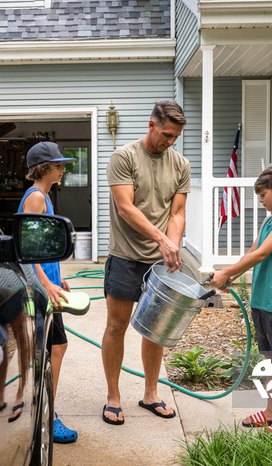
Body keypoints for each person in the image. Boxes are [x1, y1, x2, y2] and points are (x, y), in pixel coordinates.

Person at [102, 101, 190, 425]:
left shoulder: (180, 164)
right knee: (116, 327)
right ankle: (113, 396)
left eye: (175, 137)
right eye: (166, 134)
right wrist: (162, 240)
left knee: (156, 331)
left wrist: (173, 245)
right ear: (151, 124)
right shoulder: (123, 157)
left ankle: (150, 393)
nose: (170, 142)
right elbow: (126, 208)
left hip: (159, 261)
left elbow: (177, 212)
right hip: (125, 257)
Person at [209, 166, 272, 438]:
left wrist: (225, 272)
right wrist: (232, 274)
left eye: (263, 195)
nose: (260, 200)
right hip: (263, 298)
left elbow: (262, 254)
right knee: (271, 358)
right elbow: (252, 251)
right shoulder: (270, 219)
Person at [17, 141, 78, 443]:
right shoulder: (36, 198)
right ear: (45, 168)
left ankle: (44, 407)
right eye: (59, 165)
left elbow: (45, 245)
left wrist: (59, 277)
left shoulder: (42, 196)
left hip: (48, 285)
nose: (63, 169)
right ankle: (46, 413)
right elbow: (28, 248)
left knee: (56, 347)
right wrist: (45, 283)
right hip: (41, 290)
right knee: (51, 350)